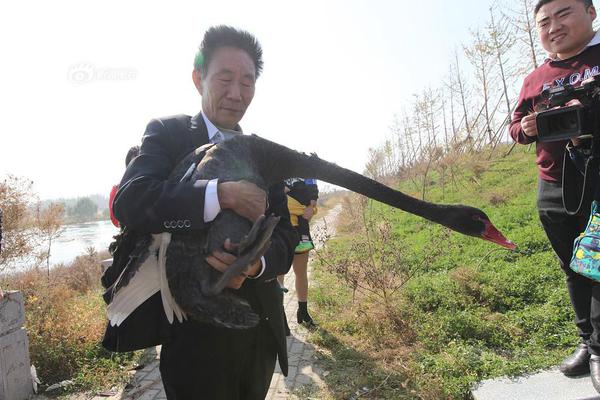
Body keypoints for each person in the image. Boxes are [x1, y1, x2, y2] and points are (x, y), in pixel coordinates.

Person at [108, 26, 296, 399]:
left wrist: (254, 264)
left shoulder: (263, 155)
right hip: (193, 339)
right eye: (225, 79)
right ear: (199, 79)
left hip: (257, 331)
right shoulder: (169, 133)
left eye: (247, 82)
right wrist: (220, 194)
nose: (236, 93)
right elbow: (131, 201)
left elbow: (287, 238)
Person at [509, 0, 600, 391]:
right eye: (544, 21)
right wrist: (527, 128)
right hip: (553, 184)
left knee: (598, 264)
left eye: (564, 13)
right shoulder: (534, 79)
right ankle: (587, 340)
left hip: (596, 178)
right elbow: (513, 127)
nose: (553, 26)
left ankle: (598, 348)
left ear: (591, 13)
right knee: (574, 267)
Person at [280, 178, 319, 327]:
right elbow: (275, 201)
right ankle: (280, 314)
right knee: (279, 274)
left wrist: (310, 208)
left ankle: (303, 311)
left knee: (301, 273)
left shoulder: (306, 176)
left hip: (301, 232)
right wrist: (303, 209)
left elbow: (312, 207)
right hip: (281, 231)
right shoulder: (278, 170)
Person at [108, 145, 140, 228]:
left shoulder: (156, 184)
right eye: (134, 163)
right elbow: (115, 220)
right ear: (127, 167)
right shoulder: (117, 189)